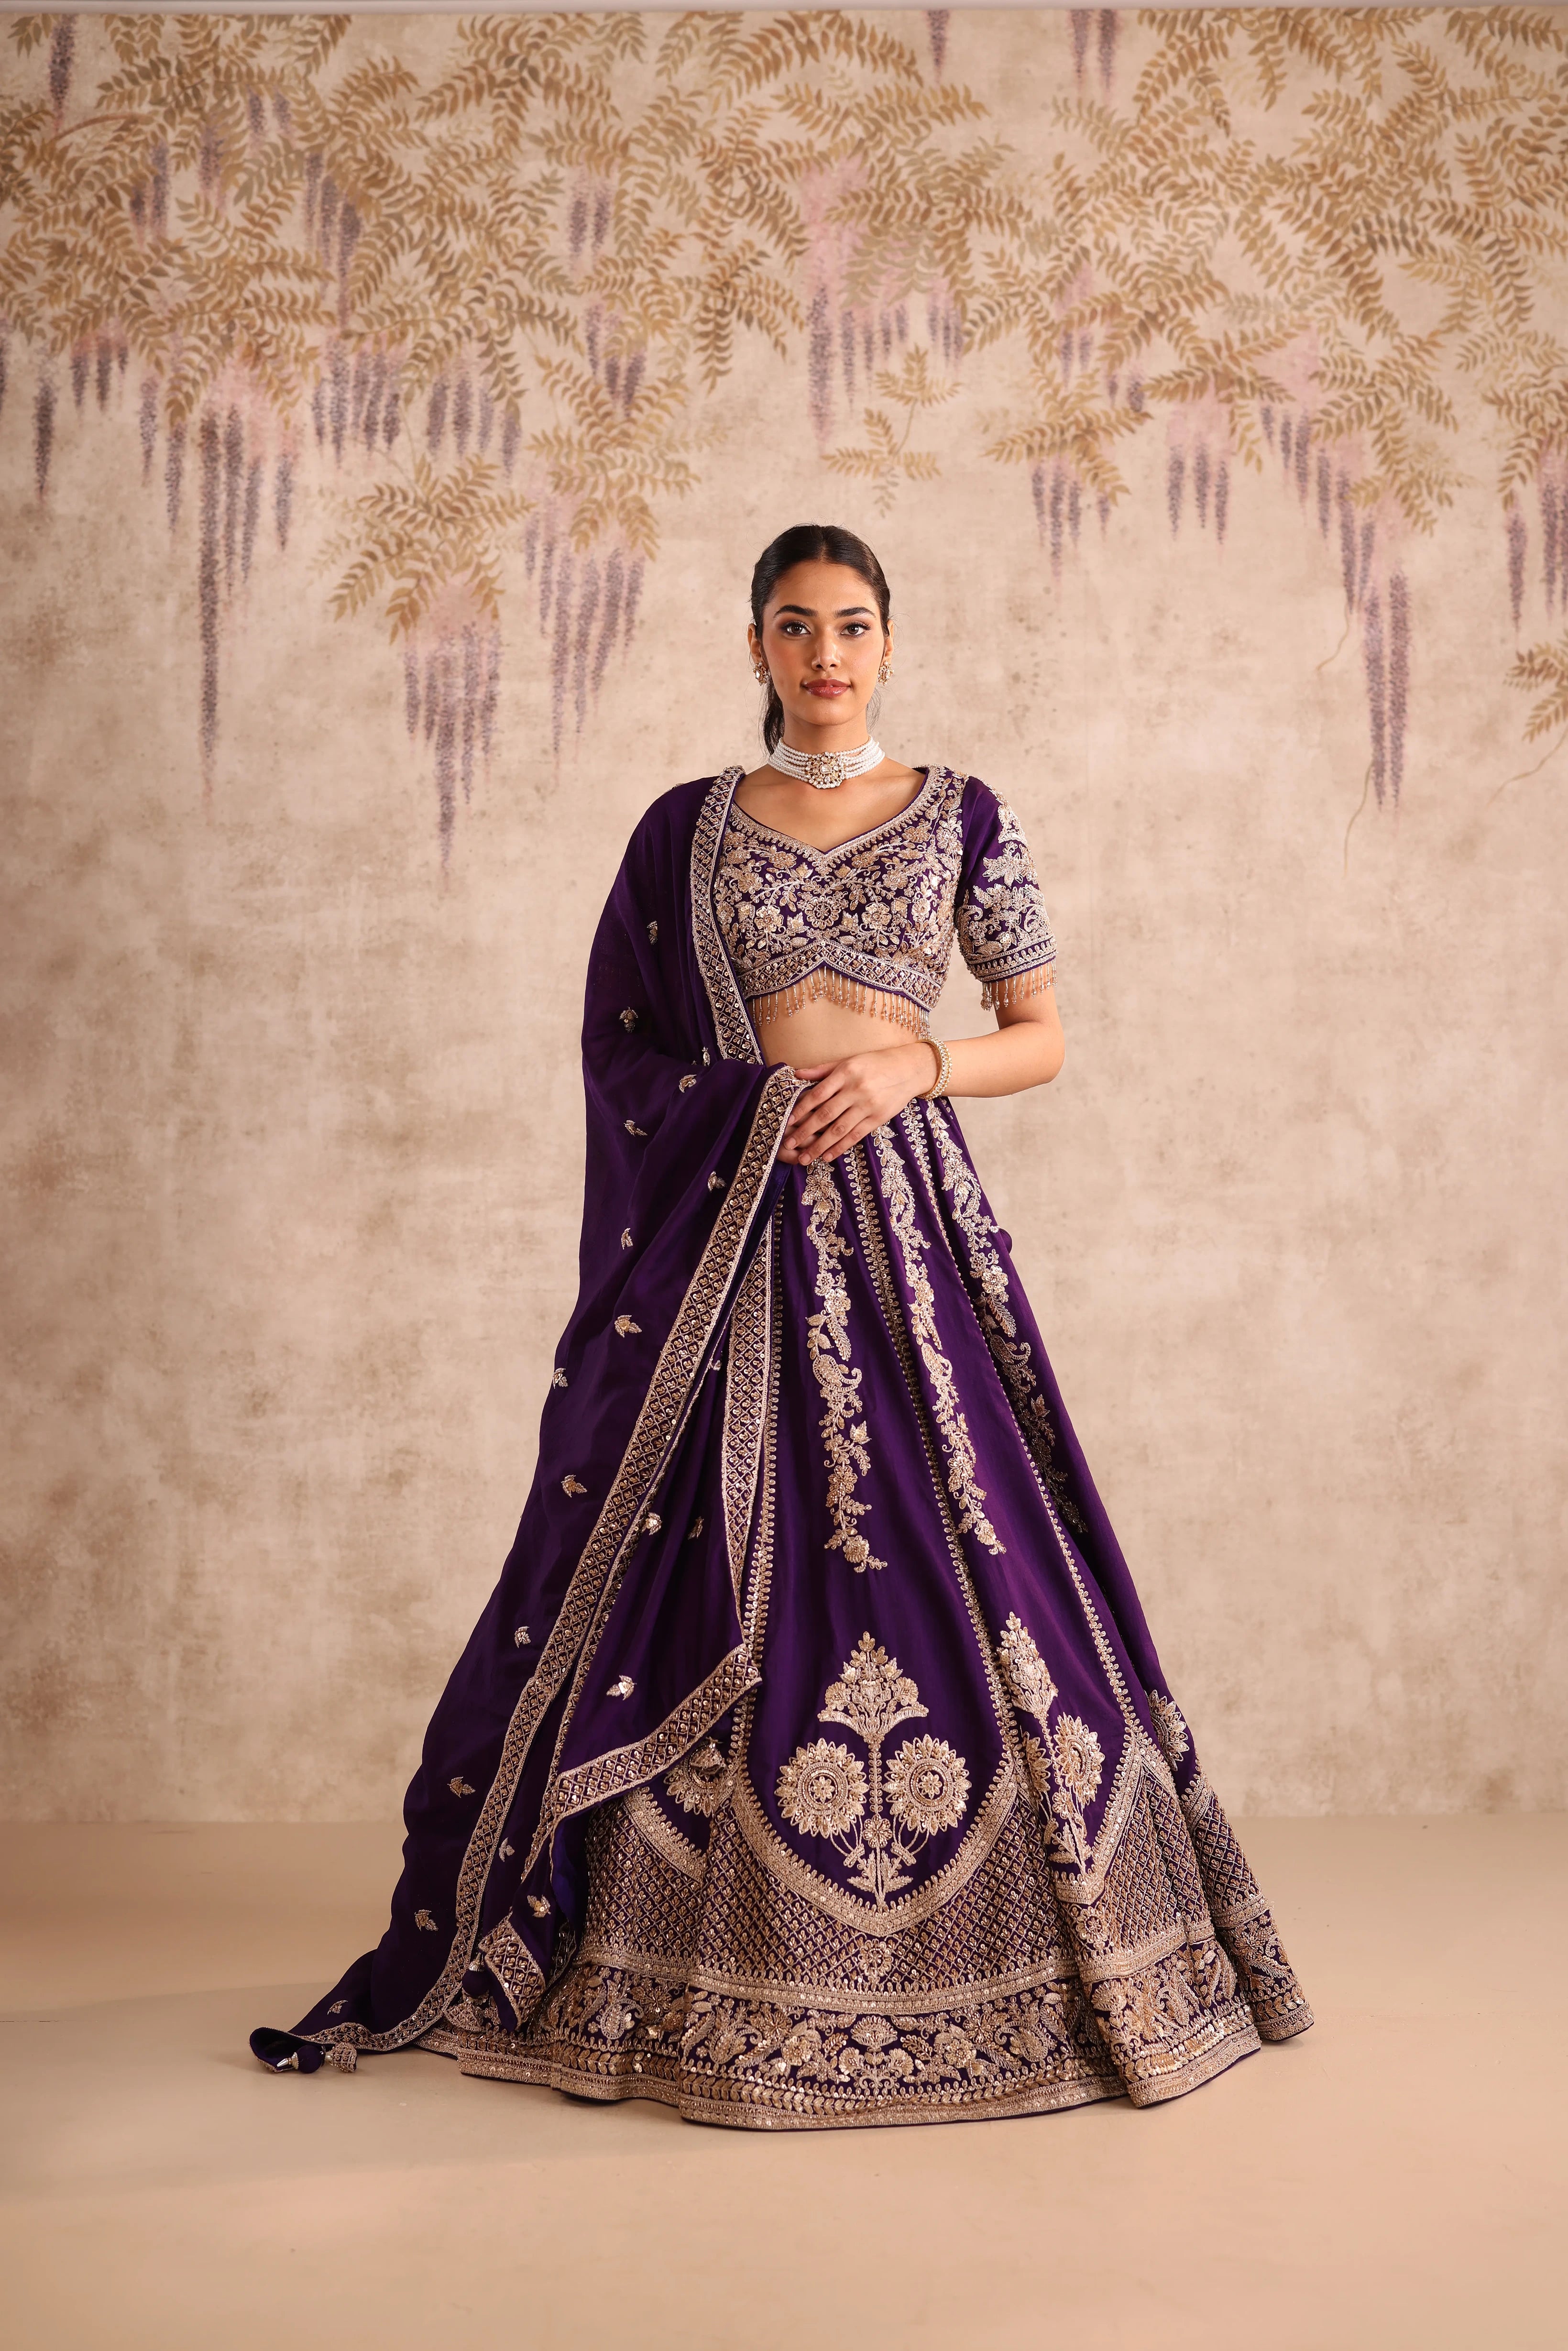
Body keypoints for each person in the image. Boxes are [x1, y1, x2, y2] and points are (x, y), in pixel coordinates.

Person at [252, 521, 1311, 2127]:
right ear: (756, 647)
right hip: (728, 1253)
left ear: (892, 643)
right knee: (713, 1560)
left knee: (969, 1559)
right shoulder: (683, 832)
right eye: (798, 626)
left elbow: (1045, 1035)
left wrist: (913, 1066)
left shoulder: (968, 819)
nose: (828, 654)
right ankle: (678, 1961)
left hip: (909, 1231)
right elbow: (617, 1054)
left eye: (856, 625)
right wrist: (752, 1108)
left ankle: (1027, 1954)